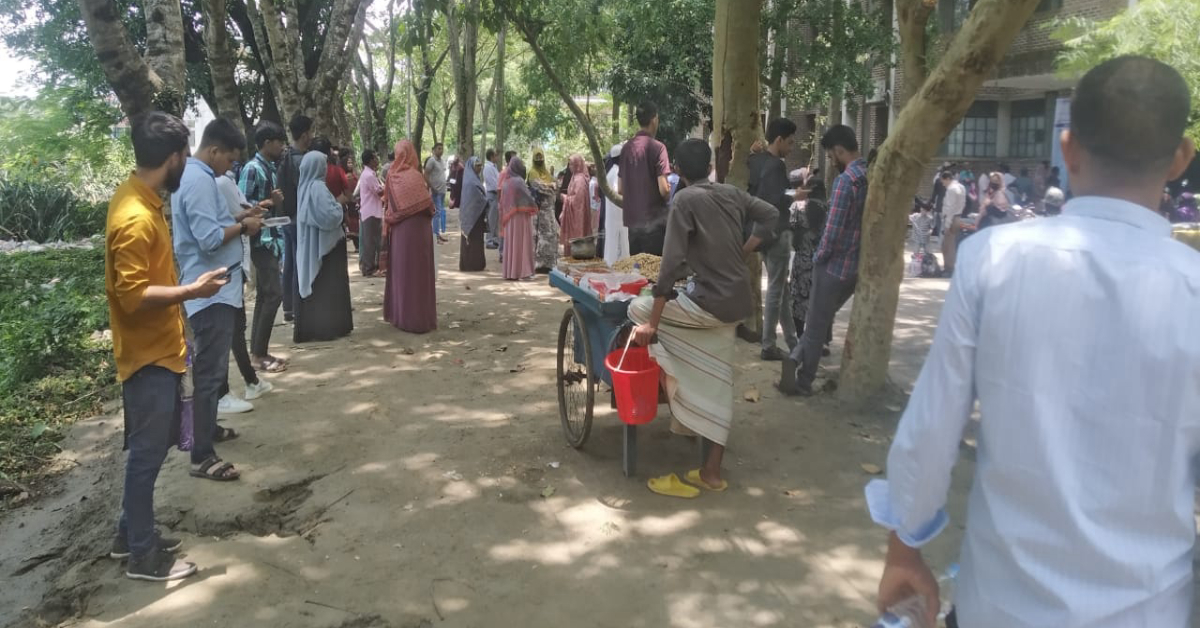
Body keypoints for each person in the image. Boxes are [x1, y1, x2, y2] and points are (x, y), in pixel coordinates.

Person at [868, 56, 1198, 628]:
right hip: (1152, 609)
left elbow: (932, 426)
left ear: (1067, 149)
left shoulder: (993, 260)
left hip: (1002, 604)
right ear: (1180, 158)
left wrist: (905, 549)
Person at [106, 112, 227, 581]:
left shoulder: (142, 198)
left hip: (162, 348)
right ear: (173, 158)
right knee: (147, 455)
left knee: (148, 453)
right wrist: (191, 293)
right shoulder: (135, 217)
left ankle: (129, 534)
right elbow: (134, 296)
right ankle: (143, 556)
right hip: (147, 355)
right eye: (184, 157)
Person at [628, 139, 778, 498]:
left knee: (636, 309)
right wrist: (742, 251)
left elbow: (668, 266)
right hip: (738, 304)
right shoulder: (731, 192)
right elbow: (771, 214)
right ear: (710, 165)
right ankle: (711, 471)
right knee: (719, 379)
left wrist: (652, 324)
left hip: (710, 304)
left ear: (677, 169)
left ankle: (679, 381)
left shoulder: (684, 199)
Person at [172, 118, 263, 482]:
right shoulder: (196, 180)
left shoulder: (199, 179)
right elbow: (209, 239)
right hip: (208, 292)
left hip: (217, 289)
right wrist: (243, 228)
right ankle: (201, 455)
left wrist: (241, 217)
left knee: (213, 370)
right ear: (214, 150)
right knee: (208, 375)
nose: (231, 167)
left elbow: (209, 224)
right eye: (229, 159)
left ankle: (207, 430)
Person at [780, 125, 866, 397]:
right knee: (821, 320)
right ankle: (793, 360)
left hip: (832, 267)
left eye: (831, 156)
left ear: (840, 151)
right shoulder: (868, 175)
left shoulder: (845, 182)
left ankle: (802, 381)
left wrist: (818, 258)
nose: (831, 162)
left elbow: (833, 231)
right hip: (855, 266)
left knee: (815, 327)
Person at [214, 165, 273, 413]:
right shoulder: (217, 182)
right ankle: (223, 393)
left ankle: (249, 381)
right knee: (225, 331)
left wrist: (247, 216)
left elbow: (231, 216)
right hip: (221, 268)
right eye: (230, 155)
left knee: (235, 327)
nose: (233, 161)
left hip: (230, 265)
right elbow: (214, 232)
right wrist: (243, 223)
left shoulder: (218, 181)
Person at [238, 121, 289, 374]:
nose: (281, 146)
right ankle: (258, 354)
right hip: (261, 241)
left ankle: (257, 352)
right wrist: (270, 201)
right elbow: (242, 208)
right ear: (267, 143)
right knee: (274, 294)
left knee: (266, 295)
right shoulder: (252, 168)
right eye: (278, 141)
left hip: (272, 237)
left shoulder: (270, 168)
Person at [754, 118, 801, 362]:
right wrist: (795, 196)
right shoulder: (776, 167)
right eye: (790, 142)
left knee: (780, 291)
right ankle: (769, 344)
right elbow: (776, 201)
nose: (791, 148)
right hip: (776, 233)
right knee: (775, 291)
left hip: (762, 234)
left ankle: (792, 342)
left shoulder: (760, 162)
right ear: (779, 140)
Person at [293, 152, 354, 343]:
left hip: (315, 244)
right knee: (326, 287)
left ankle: (314, 328)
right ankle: (327, 328)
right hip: (326, 246)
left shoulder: (304, 187)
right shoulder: (318, 188)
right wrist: (339, 206)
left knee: (316, 286)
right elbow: (329, 217)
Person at [385, 140, 438, 333]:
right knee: (420, 274)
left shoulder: (392, 176)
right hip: (421, 230)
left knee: (404, 272)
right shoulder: (417, 176)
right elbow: (429, 206)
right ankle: (422, 318)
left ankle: (403, 317)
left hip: (402, 232)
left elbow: (390, 207)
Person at [619, 102, 672, 255]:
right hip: (655, 223)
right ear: (654, 119)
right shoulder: (658, 147)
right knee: (654, 271)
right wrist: (667, 192)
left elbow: (620, 189)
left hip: (633, 224)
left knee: (637, 272)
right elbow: (663, 189)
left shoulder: (626, 148)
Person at [274, 115, 313, 325]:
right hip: (299, 218)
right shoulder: (303, 160)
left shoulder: (285, 157)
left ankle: (288, 307)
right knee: (300, 263)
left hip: (285, 218)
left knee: (289, 262)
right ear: (305, 134)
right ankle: (299, 307)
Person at [501, 157, 538, 280]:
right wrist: (534, 205)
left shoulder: (506, 182)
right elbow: (527, 198)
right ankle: (523, 272)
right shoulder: (519, 181)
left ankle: (511, 272)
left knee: (512, 243)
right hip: (521, 217)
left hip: (510, 219)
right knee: (522, 242)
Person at [528, 150, 560, 272]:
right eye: (537, 158)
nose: (539, 161)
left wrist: (552, 185)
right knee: (541, 237)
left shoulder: (546, 173)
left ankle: (550, 263)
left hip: (550, 210)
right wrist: (551, 186)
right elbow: (538, 187)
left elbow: (556, 185)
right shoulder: (532, 173)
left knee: (552, 235)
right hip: (539, 211)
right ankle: (540, 265)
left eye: (541, 158)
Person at [357, 150, 385, 277]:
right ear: (370, 160)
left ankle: (372, 266)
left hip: (374, 211)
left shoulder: (371, 174)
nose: (377, 160)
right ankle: (369, 268)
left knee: (373, 240)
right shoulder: (368, 175)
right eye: (375, 158)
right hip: (370, 212)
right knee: (370, 241)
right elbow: (379, 192)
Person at [559, 154, 593, 256]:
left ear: (578, 165)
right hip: (574, 216)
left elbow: (578, 201)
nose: (570, 167)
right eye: (569, 165)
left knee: (576, 240)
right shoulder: (575, 177)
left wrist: (565, 198)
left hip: (577, 218)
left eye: (572, 165)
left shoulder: (580, 180)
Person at [458, 156, 488, 272]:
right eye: (477, 165)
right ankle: (469, 265)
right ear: (471, 166)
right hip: (471, 215)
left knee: (477, 240)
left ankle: (477, 264)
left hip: (478, 215)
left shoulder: (475, 179)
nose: (479, 168)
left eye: (480, 165)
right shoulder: (470, 180)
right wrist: (485, 200)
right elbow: (476, 197)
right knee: (471, 239)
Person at [602, 144, 629, 265]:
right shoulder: (617, 173)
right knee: (618, 247)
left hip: (615, 217)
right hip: (618, 217)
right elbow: (619, 192)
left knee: (613, 244)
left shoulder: (612, 172)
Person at [939, 170, 968, 276]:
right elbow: (963, 203)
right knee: (952, 245)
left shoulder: (951, 189)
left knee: (947, 246)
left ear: (947, 179)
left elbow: (950, 208)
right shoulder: (961, 187)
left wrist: (947, 224)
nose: (943, 184)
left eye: (943, 181)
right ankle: (950, 267)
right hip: (958, 217)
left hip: (951, 218)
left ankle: (949, 269)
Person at [425, 142, 449, 244]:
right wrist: (431, 187)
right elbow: (425, 174)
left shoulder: (442, 161)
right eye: (439, 149)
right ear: (434, 150)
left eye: (442, 149)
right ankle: (435, 237)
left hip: (442, 191)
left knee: (439, 212)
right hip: (436, 191)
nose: (441, 151)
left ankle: (437, 234)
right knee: (437, 213)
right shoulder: (431, 161)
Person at [483, 148, 502, 249]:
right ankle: (489, 240)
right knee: (491, 218)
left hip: (496, 195)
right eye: (496, 155)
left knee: (495, 219)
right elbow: (493, 183)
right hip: (492, 194)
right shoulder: (488, 168)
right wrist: (500, 189)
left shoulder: (494, 167)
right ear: (491, 156)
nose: (497, 157)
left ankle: (495, 239)